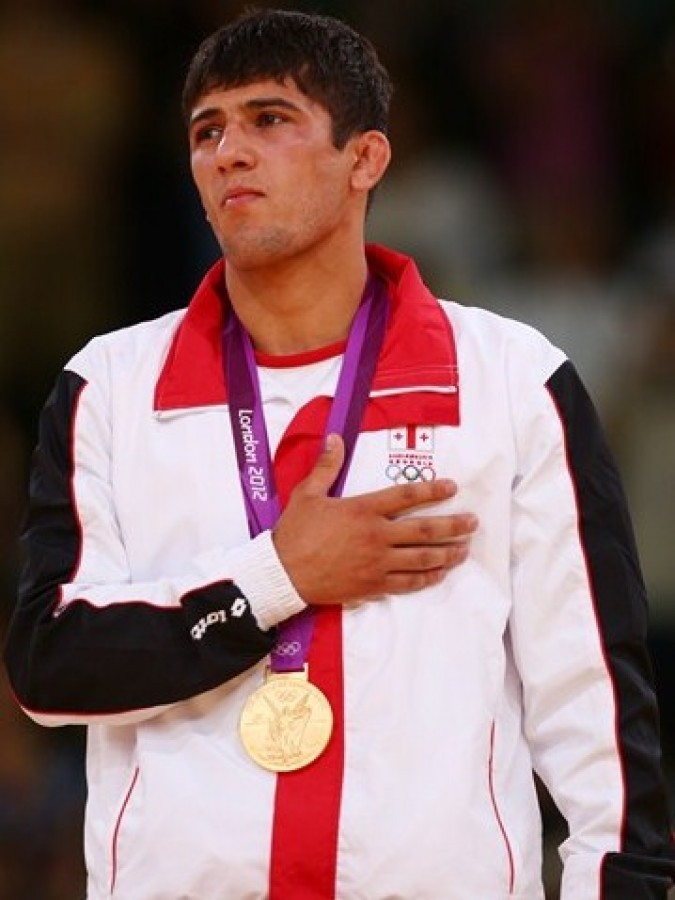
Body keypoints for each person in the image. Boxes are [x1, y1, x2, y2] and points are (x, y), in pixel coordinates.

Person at [3, 8, 674, 899]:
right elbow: (51, 666)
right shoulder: (111, 387)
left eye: (268, 119)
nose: (228, 152)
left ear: (364, 158)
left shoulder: (511, 380)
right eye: (207, 131)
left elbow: (593, 707)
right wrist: (275, 578)